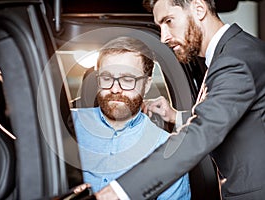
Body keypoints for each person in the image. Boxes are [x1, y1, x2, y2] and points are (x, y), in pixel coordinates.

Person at [95, 0, 265, 199]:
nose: (164, 37)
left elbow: (203, 131)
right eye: (160, 27)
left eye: (169, 21)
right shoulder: (233, 51)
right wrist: (175, 116)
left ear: (199, 8)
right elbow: (230, 116)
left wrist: (121, 190)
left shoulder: (234, 59)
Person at [71, 36, 191, 199]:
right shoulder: (65, 125)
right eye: (106, 78)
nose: (115, 89)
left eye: (127, 80)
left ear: (147, 85)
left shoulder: (166, 148)